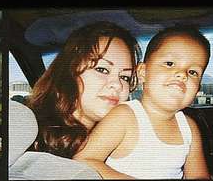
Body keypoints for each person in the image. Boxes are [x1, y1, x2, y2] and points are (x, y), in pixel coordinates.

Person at [74, 26, 211, 180]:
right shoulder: (124, 116)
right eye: (170, 63)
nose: (182, 74)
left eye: (193, 72)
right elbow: (84, 161)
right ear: (142, 72)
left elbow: (200, 180)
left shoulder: (189, 128)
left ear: (198, 88)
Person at [25, 22, 140, 159]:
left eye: (125, 77)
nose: (118, 85)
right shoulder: (29, 133)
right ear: (69, 73)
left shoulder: (121, 144)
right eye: (102, 69)